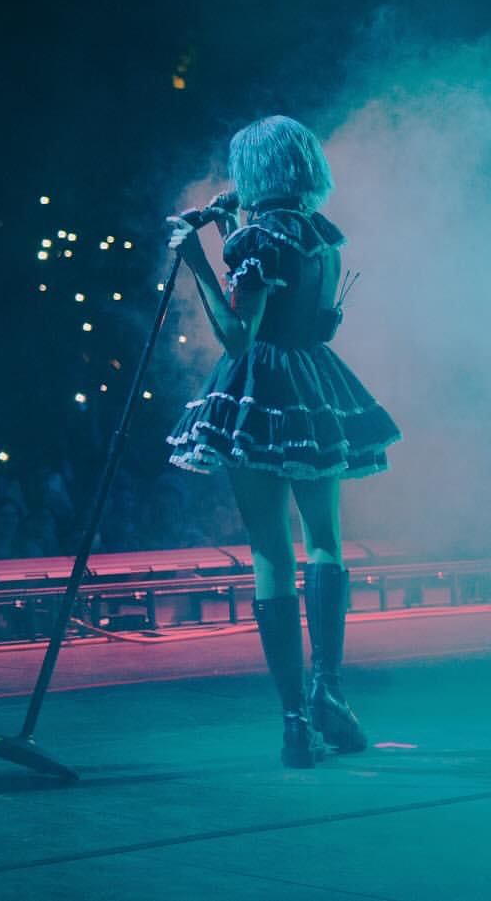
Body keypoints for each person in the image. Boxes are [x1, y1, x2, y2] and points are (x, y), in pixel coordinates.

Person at [165, 115, 401, 767]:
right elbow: (310, 318)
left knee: (271, 551)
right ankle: (330, 692)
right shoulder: (323, 240)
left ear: (254, 171)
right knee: (324, 539)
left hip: (259, 394)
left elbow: (238, 335)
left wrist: (196, 259)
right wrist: (226, 233)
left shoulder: (255, 241)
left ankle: (295, 722)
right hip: (313, 390)